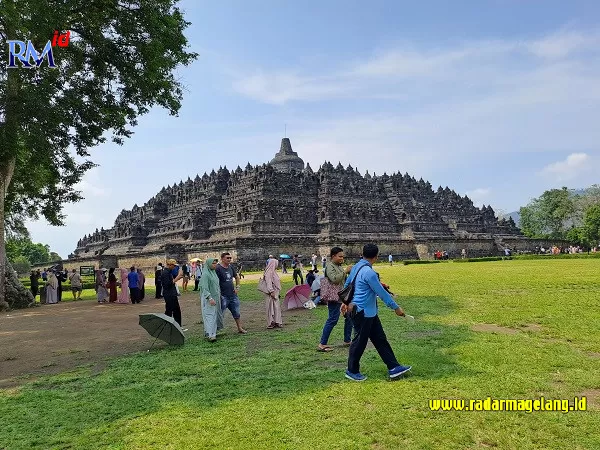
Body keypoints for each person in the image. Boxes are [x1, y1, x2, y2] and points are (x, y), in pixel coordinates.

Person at [342, 243, 411, 382]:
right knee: (359, 342)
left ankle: (393, 367)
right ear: (376, 257)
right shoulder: (369, 272)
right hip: (362, 312)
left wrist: (344, 303)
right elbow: (382, 293)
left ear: (362, 254)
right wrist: (396, 308)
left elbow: (346, 285)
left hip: (368, 312)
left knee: (380, 339)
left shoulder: (356, 267)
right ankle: (352, 370)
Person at [318, 247, 353, 352]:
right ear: (333, 256)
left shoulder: (338, 266)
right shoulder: (330, 266)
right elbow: (334, 279)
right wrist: (345, 271)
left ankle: (347, 340)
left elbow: (343, 281)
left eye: (343, 256)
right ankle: (322, 344)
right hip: (334, 297)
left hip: (342, 297)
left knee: (349, 317)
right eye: (340, 256)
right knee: (332, 319)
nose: (342, 258)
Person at [216, 252, 247, 334]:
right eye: (227, 258)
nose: (229, 259)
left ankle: (240, 328)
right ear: (222, 259)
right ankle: (216, 330)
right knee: (220, 313)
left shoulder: (230, 267)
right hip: (223, 295)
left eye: (230, 258)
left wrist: (237, 287)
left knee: (236, 312)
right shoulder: (218, 268)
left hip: (233, 294)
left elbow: (236, 277)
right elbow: (215, 282)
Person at [199, 258, 223, 341]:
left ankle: (212, 332)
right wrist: (209, 298)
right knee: (210, 315)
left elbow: (216, 285)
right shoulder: (205, 274)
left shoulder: (213, 273)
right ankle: (211, 334)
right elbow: (204, 287)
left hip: (215, 296)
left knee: (215, 315)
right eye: (213, 263)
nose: (215, 265)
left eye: (216, 263)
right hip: (208, 298)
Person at [263, 258, 282, 329]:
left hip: (275, 292)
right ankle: (271, 322)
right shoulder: (268, 272)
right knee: (270, 308)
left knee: (276, 307)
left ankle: (277, 321)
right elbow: (268, 283)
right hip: (271, 293)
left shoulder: (273, 272)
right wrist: (271, 291)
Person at [162, 259, 182, 326]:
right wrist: (177, 278)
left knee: (174, 310)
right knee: (171, 311)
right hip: (169, 294)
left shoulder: (169, 272)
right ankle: (169, 325)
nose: (174, 267)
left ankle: (177, 325)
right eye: (173, 266)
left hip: (171, 293)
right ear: (170, 265)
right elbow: (167, 285)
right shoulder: (165, 273)